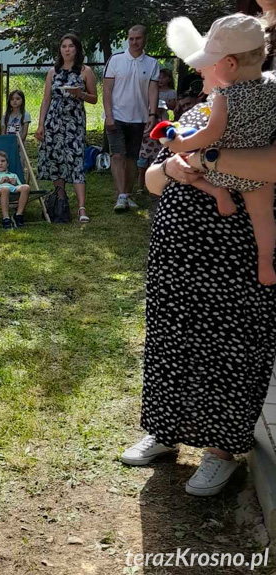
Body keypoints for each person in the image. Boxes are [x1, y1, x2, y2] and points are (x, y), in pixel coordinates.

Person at [123, 62, 276, 498]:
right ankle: (165, 430)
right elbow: (153, 179)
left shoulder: (266, 113)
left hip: (233, 257)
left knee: (229, 346)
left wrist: (208, 159)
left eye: (207, 68)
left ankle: (220, 451)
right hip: (177, 257)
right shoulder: (195, 113)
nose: (202, 76)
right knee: (171, 339)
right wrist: (172, 170)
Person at [164, 14, 276, 285]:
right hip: (258, 176)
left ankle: (217, 193)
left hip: (218, 171)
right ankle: (265, 262)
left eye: (214, 62)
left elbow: (210, 134)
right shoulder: (272, 88)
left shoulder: (224, 96)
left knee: (190, 167)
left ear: (230, 63)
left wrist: (180, 144)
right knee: (262, 215)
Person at [35, 33, 97, 224]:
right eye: (64, 46)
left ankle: (81, 207)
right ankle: (61, 201)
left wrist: (81, 94)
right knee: (56, 160)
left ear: (77, 49)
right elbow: (46, 99)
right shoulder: (52, 72)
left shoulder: (85, 71)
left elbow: (94, 98)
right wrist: (41, 124)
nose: (67, 49)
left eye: (71, 46)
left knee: (76, 160)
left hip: (74, 123)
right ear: (60, 49)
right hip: (54, 122)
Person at [103, 25, 160, 212]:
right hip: (116, 116)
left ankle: (127, 194)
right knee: (117, 155)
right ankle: (120, 195)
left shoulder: (152, 63)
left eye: (138, 38)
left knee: (132, 158)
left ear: (144, 39)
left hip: (139, 118)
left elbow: (153, 90)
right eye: (131, 38)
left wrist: (152, 114)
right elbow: (107, 89)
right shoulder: (116, 60)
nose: (134, 42)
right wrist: (109, 115)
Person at [0, 151, 31, 230]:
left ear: (7, 163)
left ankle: (18, 215)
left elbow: (19, 187)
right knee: (5, 189)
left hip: (13, 191)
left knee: (26, 187)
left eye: (3, 161)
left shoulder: (13, 175)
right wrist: (0, 182)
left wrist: (15, 183)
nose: (0, 163)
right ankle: (6, 218)